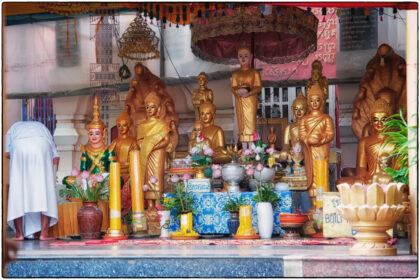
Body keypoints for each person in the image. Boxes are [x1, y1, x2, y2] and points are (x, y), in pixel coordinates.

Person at [5, 121, 60, 240]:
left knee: (17, 189)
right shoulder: (43, 128)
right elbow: (55, 158)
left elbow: (7, 153)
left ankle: (19, 234)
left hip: (19, 145)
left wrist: (23, 164)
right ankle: (44, 234)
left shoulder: (13, 127)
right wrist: (51, 176)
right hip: (41, 145)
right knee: (45, 189)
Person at [352, 44, 406, 140]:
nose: (383, 106)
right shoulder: (369, 129)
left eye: (389, 104)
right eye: (380, 102)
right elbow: (363, 151)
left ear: (395, 104)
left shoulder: (399, 128)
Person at [63, 95, 116, 191]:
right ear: (88, 134)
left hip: (103, 179)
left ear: (103, 134)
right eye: (91, 134)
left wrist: (98, 178)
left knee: (117, 179)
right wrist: (82, 176)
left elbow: (113, 171)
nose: (94, 136)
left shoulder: (109, 150)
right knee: (66, 180)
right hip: (88, 180)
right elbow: (83, 170)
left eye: (97, 133)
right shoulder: (85, 150)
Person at [125, 62, 179, 136]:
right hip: (141, 106)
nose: (139, 75)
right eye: (137, 72)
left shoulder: (153, 80)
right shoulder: (135, 82)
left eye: (140, 72)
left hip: (154, 103)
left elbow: (162, 92)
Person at [299, 83, 335, 190]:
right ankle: (314, 203)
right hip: (309, 150)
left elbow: (330, 134)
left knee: (321, 173)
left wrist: (320, 140)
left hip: (322, 150)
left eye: (317, 100)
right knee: (311, 175)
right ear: (308, 102)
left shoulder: (326, 118)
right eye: (311, 100)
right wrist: (309, 140)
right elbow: (301, 135)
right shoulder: (304, 120)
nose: (314, 103)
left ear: (322, 101)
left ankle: (321, 202)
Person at [231, 43, 262, 149]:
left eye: (246, 56)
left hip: (250, 101)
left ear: (251, 57)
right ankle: (245, 150)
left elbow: (258, 87)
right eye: (240, 56)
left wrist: (248, 92)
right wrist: (239, 91)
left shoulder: (254, 73)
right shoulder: (236, 74)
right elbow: (233, 87)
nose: (243, 58)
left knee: (251, 124)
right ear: (237, 57)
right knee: (242, 125)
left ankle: (252, 150)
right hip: (240, 101)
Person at [356, 99, 395, 181]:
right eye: (376, 120)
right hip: (372, 179)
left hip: (391, 179)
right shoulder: (364, 142)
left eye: (383, 119)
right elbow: (361, 167)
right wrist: (366, 177)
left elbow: (400, 166)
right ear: (371, 121)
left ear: (390, 120)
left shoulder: (396, 140)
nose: (379, 123)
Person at [111, 108, 139, 219]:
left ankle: (128, 219)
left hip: (129, 174)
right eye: (119, 125)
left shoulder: (133, 141)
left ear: (129, 126)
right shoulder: (115, 142)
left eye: (124, 125)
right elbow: (111, 159)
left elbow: (135, 160)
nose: (121, 128)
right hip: (117, 174)